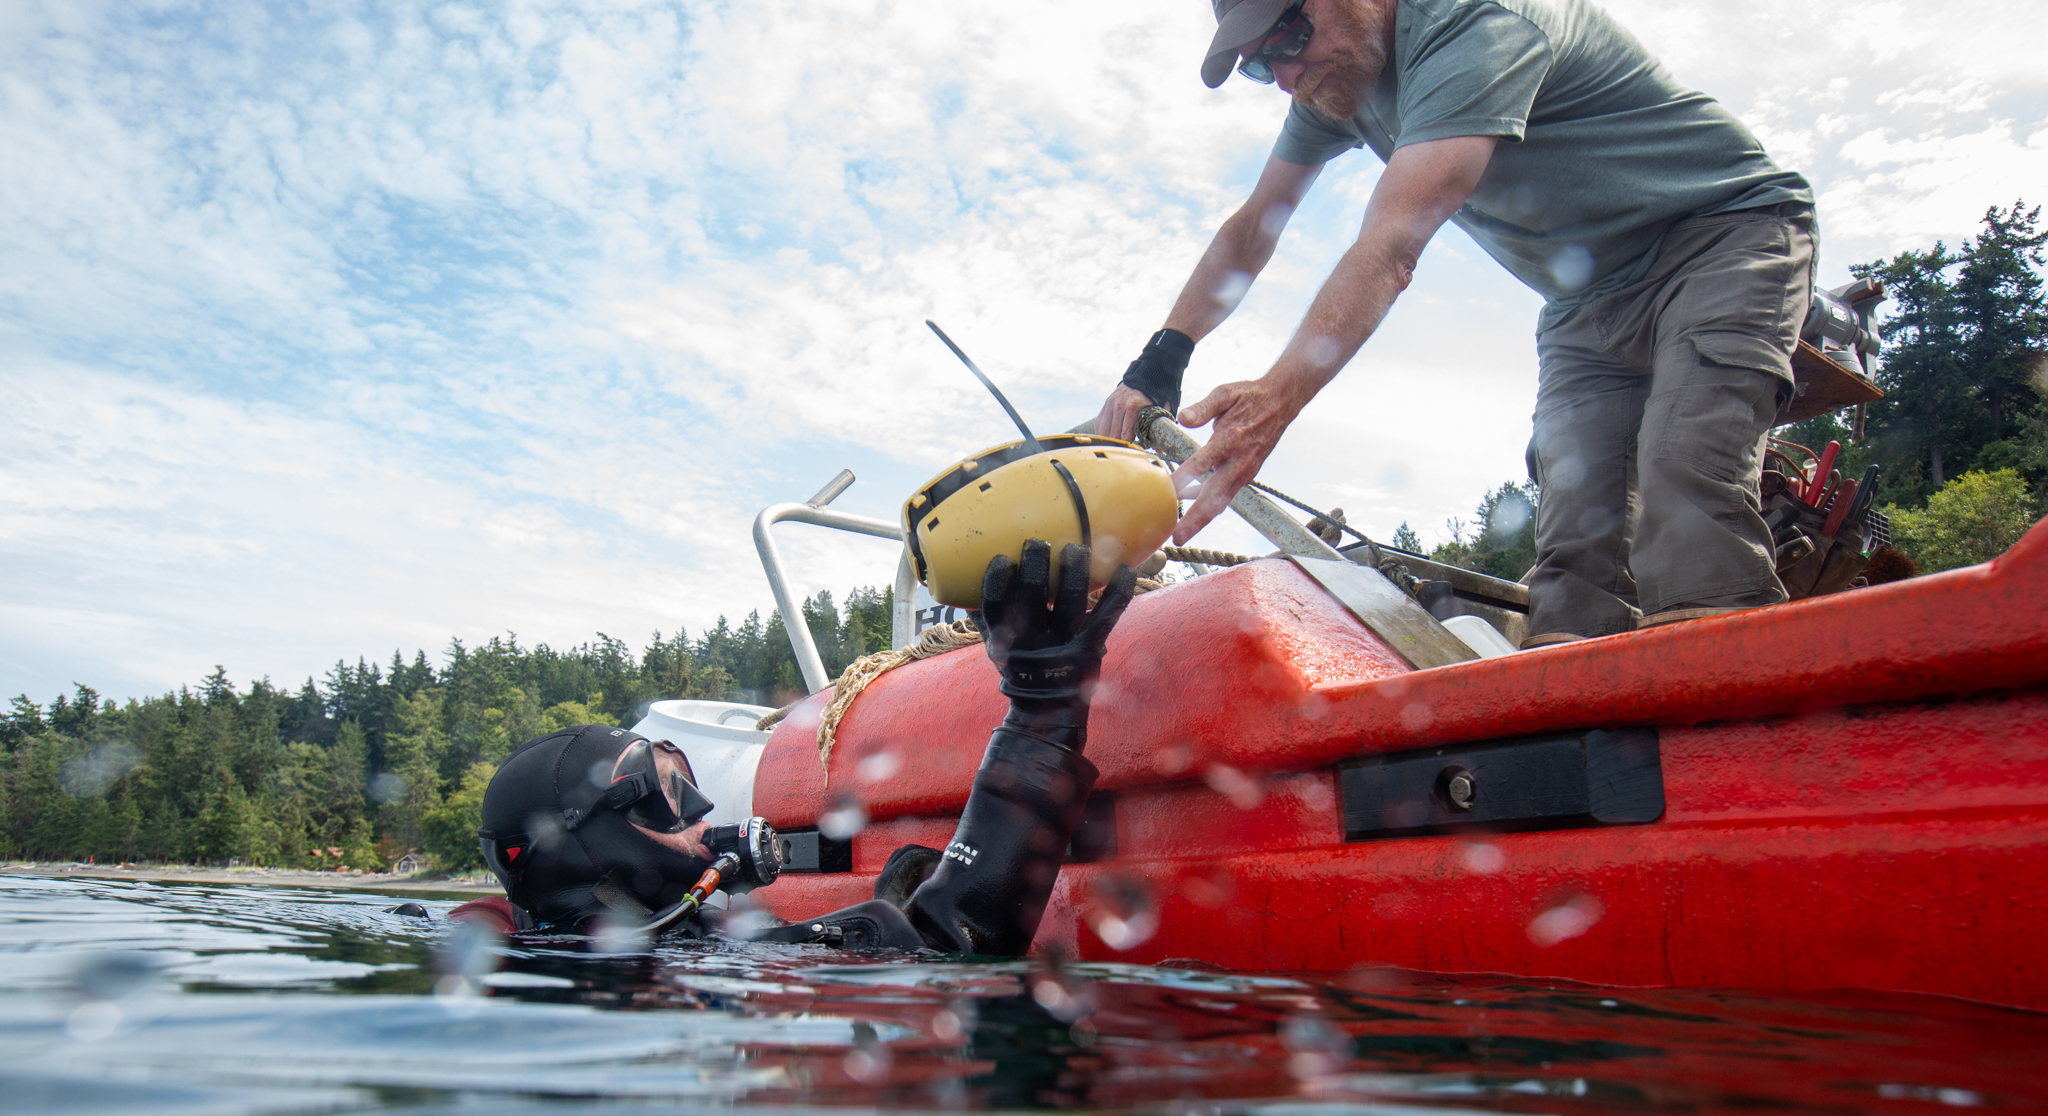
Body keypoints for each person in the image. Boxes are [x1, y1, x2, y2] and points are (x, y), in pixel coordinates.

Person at [1098, 0, 1815, 646]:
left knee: (1685, 485)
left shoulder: (1478, 21)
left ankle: (1750, 739)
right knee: (1574, 562)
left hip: (1719, 236)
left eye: (1289, 36)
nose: (1286, 76)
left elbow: (1393, 243)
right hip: (1586, 302)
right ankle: (1579, 749)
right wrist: (1159, 361)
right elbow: (1255, 225)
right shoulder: (1335, 80)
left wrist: (1274, 401)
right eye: (1260, 65)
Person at [454, 541, 1136, 954]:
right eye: (663, 791)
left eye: (686, 779)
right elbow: (943, 949)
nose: (700, 810)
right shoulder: (662, 962)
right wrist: (1044, 716)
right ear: (588, 842)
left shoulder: (642, 946)